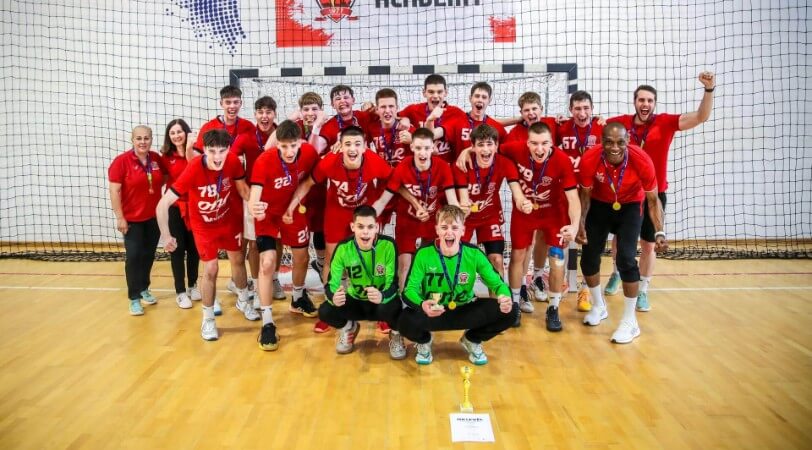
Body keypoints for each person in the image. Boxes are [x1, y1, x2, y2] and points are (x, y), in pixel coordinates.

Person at [605, 71, 715, 311]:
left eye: (649, 100)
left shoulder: (665, 122)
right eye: (641, 100)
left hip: (654, 195)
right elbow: (594, 125)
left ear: (654, 103)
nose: (645, 104)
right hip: (625, 195)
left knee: (648, 245)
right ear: (634, 102)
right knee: (620, 240)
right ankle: (616, 273)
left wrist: (709, 89)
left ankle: (643, 290)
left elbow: (701, 117)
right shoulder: (621, 123)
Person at [284, 126, 394, 330]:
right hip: (337, 213)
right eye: (348, 144)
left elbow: (394, 181)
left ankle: (381, 309)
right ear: (340, 147)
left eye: (357, 144)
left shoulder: (374, 161)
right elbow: (307, 183)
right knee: (332, 260)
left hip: (365, 213)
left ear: (365, 147)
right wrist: (290, 207)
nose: (352, 149)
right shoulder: (329, 162)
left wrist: (381, 204)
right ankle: (333, 306)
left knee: (373, 260)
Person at [157, 129, 259, 342]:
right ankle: (208, 318)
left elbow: (243, 190)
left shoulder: (233, 162)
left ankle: (243, 301)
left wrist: (256, 207)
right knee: (211, 268)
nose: (217, 156)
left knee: (238, 259)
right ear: (204, 150)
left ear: (229, 149)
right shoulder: (194, 168)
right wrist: (166, 235)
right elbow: (163, 204)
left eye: (222, 151)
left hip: (229, 220)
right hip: (204, 226)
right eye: (212, 151)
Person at [576, 123, 668, 344]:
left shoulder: (642, 160)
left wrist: (660, 232)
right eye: (609, 142)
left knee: (626, 259)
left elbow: (653, 200)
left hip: (630, 207)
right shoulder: (590, 158)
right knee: (588, 259)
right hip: (600, 205)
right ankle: (599, 306)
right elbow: (585, 196)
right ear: (602, 142)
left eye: (620, 142)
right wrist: (580, 223)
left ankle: (630, 322)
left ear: (627, 141)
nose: (614, 147)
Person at [399, 205, 516, 365]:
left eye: (454, 228)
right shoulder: (424, 253)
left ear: (462, 231)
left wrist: (506, 298)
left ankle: (472, 339)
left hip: (465, 309)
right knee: (403, 320)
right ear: (437, 230)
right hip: (434, 311)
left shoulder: (473, 253)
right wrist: (422, 305)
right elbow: (408, 290)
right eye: (444, 227)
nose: (449, 232)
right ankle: (424, 341)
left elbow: (498, 284)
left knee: (511, 312)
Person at [498, 123, 580, 329]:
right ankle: (515, 302)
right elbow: (491, 148)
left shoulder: (562, 160)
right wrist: (467, 151)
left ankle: (553, 308)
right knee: (517, 255)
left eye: (544, 143)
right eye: (534, 143)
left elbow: (573, 198)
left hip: (553, 214)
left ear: (551, 143)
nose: (539, 149)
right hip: (524, 212)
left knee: (557, 260)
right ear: (527, 143)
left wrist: (574, 225)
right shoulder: (514, 149)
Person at [249, 120, 321, 350]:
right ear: (277, 144)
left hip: (294, 210)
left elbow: (310, 180)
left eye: (293, 146)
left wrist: (293, 205)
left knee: (302, 257)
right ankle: (267, 322)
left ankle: (297, 298)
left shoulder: (309, 153)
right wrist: (255, 208)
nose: (289, 152)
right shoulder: (264, 161)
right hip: (268, 214)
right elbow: (254, 195)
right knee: (267, 263)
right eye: (284, 146)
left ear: (300, 142)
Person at [372, 127, 458, 290]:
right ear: (411, 147)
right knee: (404, 265)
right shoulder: (403, 167)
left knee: (429, 262)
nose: (422, 153)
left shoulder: (442, 167)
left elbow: (452, 200)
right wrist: (367, 218)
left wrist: (458, 222)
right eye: (418, 148)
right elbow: (383, 200)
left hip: (432, 219)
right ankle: (404, 298)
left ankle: (426, 295)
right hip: (407, 220)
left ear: (433, 148)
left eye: (426, 148)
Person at [319, 206, 404, 358]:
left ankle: (396, 334)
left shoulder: (388, 245)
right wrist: (333, 297)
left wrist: (383, 296)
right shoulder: (343, 247)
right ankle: (349, 328)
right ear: (353, 227)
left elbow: (393, 283)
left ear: (376, 227)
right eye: (360, 227)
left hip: (380, 303)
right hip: (356, 301)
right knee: (325, 311)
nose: (365, 232)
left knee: (398, 307)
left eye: (370, 227)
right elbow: (331, 283)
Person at [546, 90, 604, 312]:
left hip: (592, 192)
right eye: (577, 108)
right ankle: (560, 280)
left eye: (586, 108)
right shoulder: (561, 127)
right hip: (566, 192)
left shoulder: (601, 127)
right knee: (562, 237)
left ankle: (585, 287)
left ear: (592, 109)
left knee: (589, 241)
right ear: (570, 110)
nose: (582, 113)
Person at [453, 124, 532, 284]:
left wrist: (524, 202)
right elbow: (463, 199)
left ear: (496, 146)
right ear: (473, 147)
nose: (485, 149)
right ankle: (461, 295)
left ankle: (499, 298)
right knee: (459, 260)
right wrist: (463, 206)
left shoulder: (505, 163)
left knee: (496, 259)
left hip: (490, 216)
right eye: (480, 145)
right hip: (466, 218)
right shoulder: (462, 164)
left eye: (489, 144)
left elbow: (517, 192)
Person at [230, 96, 285, 304]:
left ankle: (274, 278)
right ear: (255, 114)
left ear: (274, 114)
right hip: (254, 195)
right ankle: (255, 283)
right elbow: (231, 160)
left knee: (278, 240)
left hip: (278, 194)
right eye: (261, 112)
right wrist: (242, 180)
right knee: (254, 243)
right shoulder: (246, 137)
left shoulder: (282, 134)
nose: (264, 116)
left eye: (268, 112)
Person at [108, 125, 166, 316]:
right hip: (132, 220)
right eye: (139, 138)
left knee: (148, 255)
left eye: (146, 138)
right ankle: (134, 298)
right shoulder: (121, 162)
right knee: (133, 257)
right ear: (132, 140)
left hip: (153, 218)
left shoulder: (156, 159)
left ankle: (144, 288)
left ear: (151, 139)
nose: (143, 142)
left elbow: (165, 177)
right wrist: (120, 218)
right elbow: (114, 191)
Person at [159, 119, 201, 309]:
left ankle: (193, 285)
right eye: (173, 133)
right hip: (175, 208)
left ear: (186, 132)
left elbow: (197, 169)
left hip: (194, 207)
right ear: (169, 136)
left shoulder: (196, 152)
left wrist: (190, 148)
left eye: (179, 131)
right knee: (177, 249)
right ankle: (180, 292)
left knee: (194, 249)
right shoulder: (166, 157)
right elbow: (163, 181)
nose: (176, 136)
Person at [428, 81, 508, 160]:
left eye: (484, 97)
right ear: (470, 98)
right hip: (461, 167)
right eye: (477, 96)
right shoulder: (457, 121)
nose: (480, 100)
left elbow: (508, 150)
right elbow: (432, 135)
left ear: (489, 101)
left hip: (485, 167)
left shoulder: (496, 127)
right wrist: (430, 120)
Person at [399, 74, 467, 162]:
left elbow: (473, 124)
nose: (435, 95)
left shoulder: (456, 113)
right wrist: (404, 119)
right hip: (421, 165)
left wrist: (413, 139)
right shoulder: (412, 110)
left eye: (439, 92)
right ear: (424, 93)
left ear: (446, 92)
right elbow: (393, 117)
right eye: (431, 92)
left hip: (445, 166)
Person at [191, 85, 257, 157]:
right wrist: (189, 148)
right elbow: (197, 156)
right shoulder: (208, 127)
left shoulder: (248, 126)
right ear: (221, 103)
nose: (232, 106)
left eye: (236, 102)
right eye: (228, 102)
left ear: (240, 103)